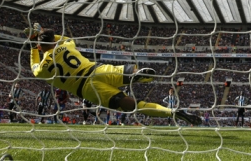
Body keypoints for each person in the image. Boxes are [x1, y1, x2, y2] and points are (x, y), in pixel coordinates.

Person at [26, 24, 201, 126]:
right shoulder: (66, 44)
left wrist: (33, 45)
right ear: (54, 40)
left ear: (41, 47)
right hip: (98, 70)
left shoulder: (43, 68)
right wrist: (42, 33)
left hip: (88, 88)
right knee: (126, 72)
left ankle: (171, 112)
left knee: (134, 105)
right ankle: (134, 75)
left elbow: (35, 68)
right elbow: (62, 38)